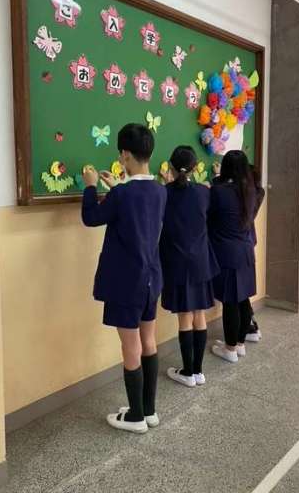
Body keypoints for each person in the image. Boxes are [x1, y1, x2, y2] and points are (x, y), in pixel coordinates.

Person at [81, 124, 167, 434]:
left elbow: (91, 217)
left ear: (125, 155)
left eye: (121, 154)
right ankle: (149, 410)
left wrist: (91, 187)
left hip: (126, 281)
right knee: (148, 341)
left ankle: (135, 417)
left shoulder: (122, 194)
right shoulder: (160, 190)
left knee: (130, 346)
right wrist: (117, 185)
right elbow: (138, 210)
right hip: (151, 278)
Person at [159, 146, 219, 387]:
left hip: (176, 262)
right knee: (199, 315)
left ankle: (187, 373)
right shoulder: (204, 192)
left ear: (170, 167)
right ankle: (198, 372)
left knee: (185, 317)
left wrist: (168, 183)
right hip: (201, 262)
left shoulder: (164, 193)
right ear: (195, 169)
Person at [208, 150, 256, 363]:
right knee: (243, 299)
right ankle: (239, 343)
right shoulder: (249, 190)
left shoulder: (219, 192)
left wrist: (216, 179)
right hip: (245, 252)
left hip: (227, 254)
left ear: (225, 168)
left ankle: (230, 349)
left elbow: (210, 213)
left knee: (230, 303)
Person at [245, 165, 265, 342]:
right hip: (248, 243)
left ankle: (249, 327)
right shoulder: (257, 192)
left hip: (241, 244)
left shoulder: (247, 196)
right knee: (242, 292)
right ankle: (250, 326)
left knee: (239, 294)